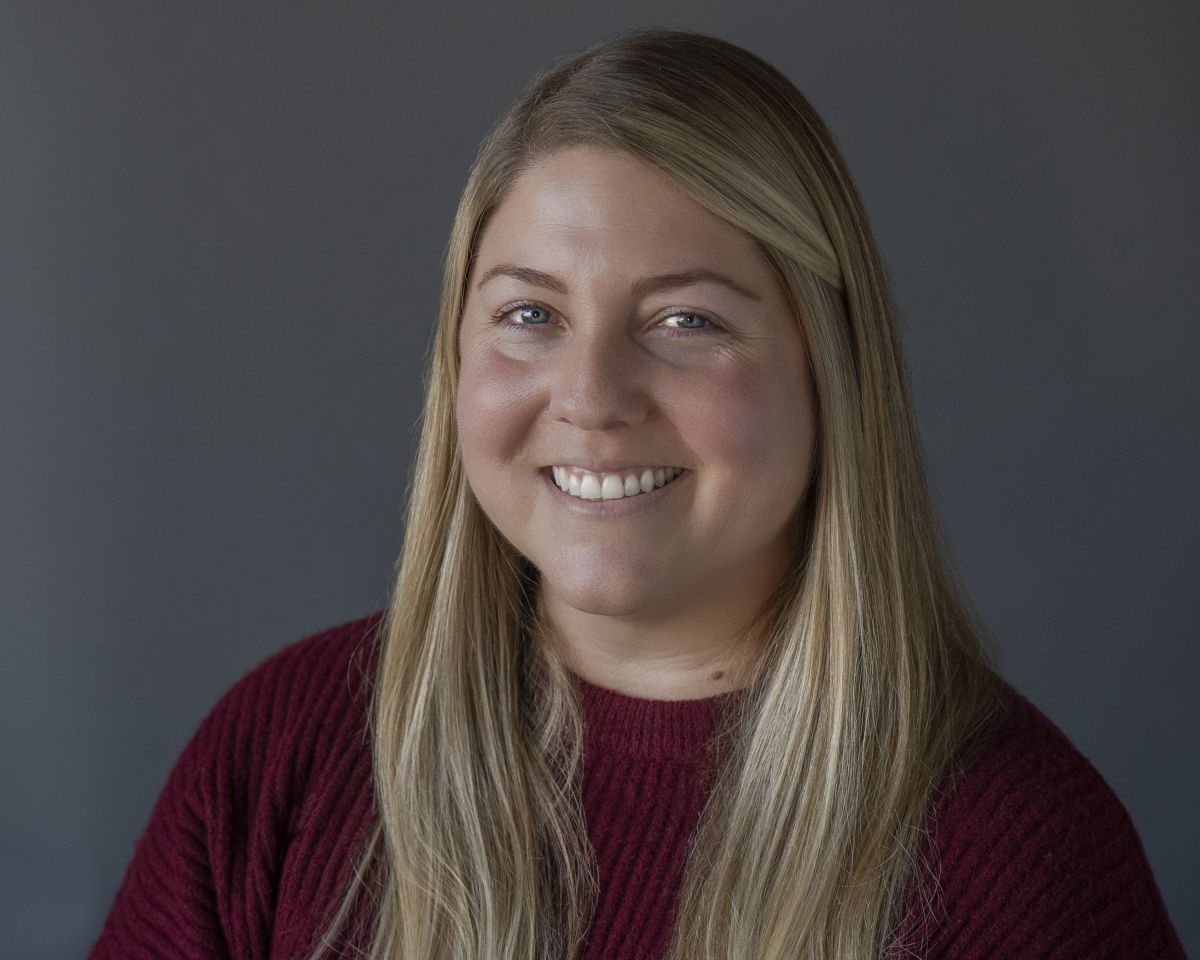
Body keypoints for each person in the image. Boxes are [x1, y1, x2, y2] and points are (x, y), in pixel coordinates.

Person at [89, 27, 1187, 960]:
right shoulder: (284, 752)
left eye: (687, 321)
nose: (593, 396)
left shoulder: (1020, 853)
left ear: (831, 370)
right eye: (532, 315)